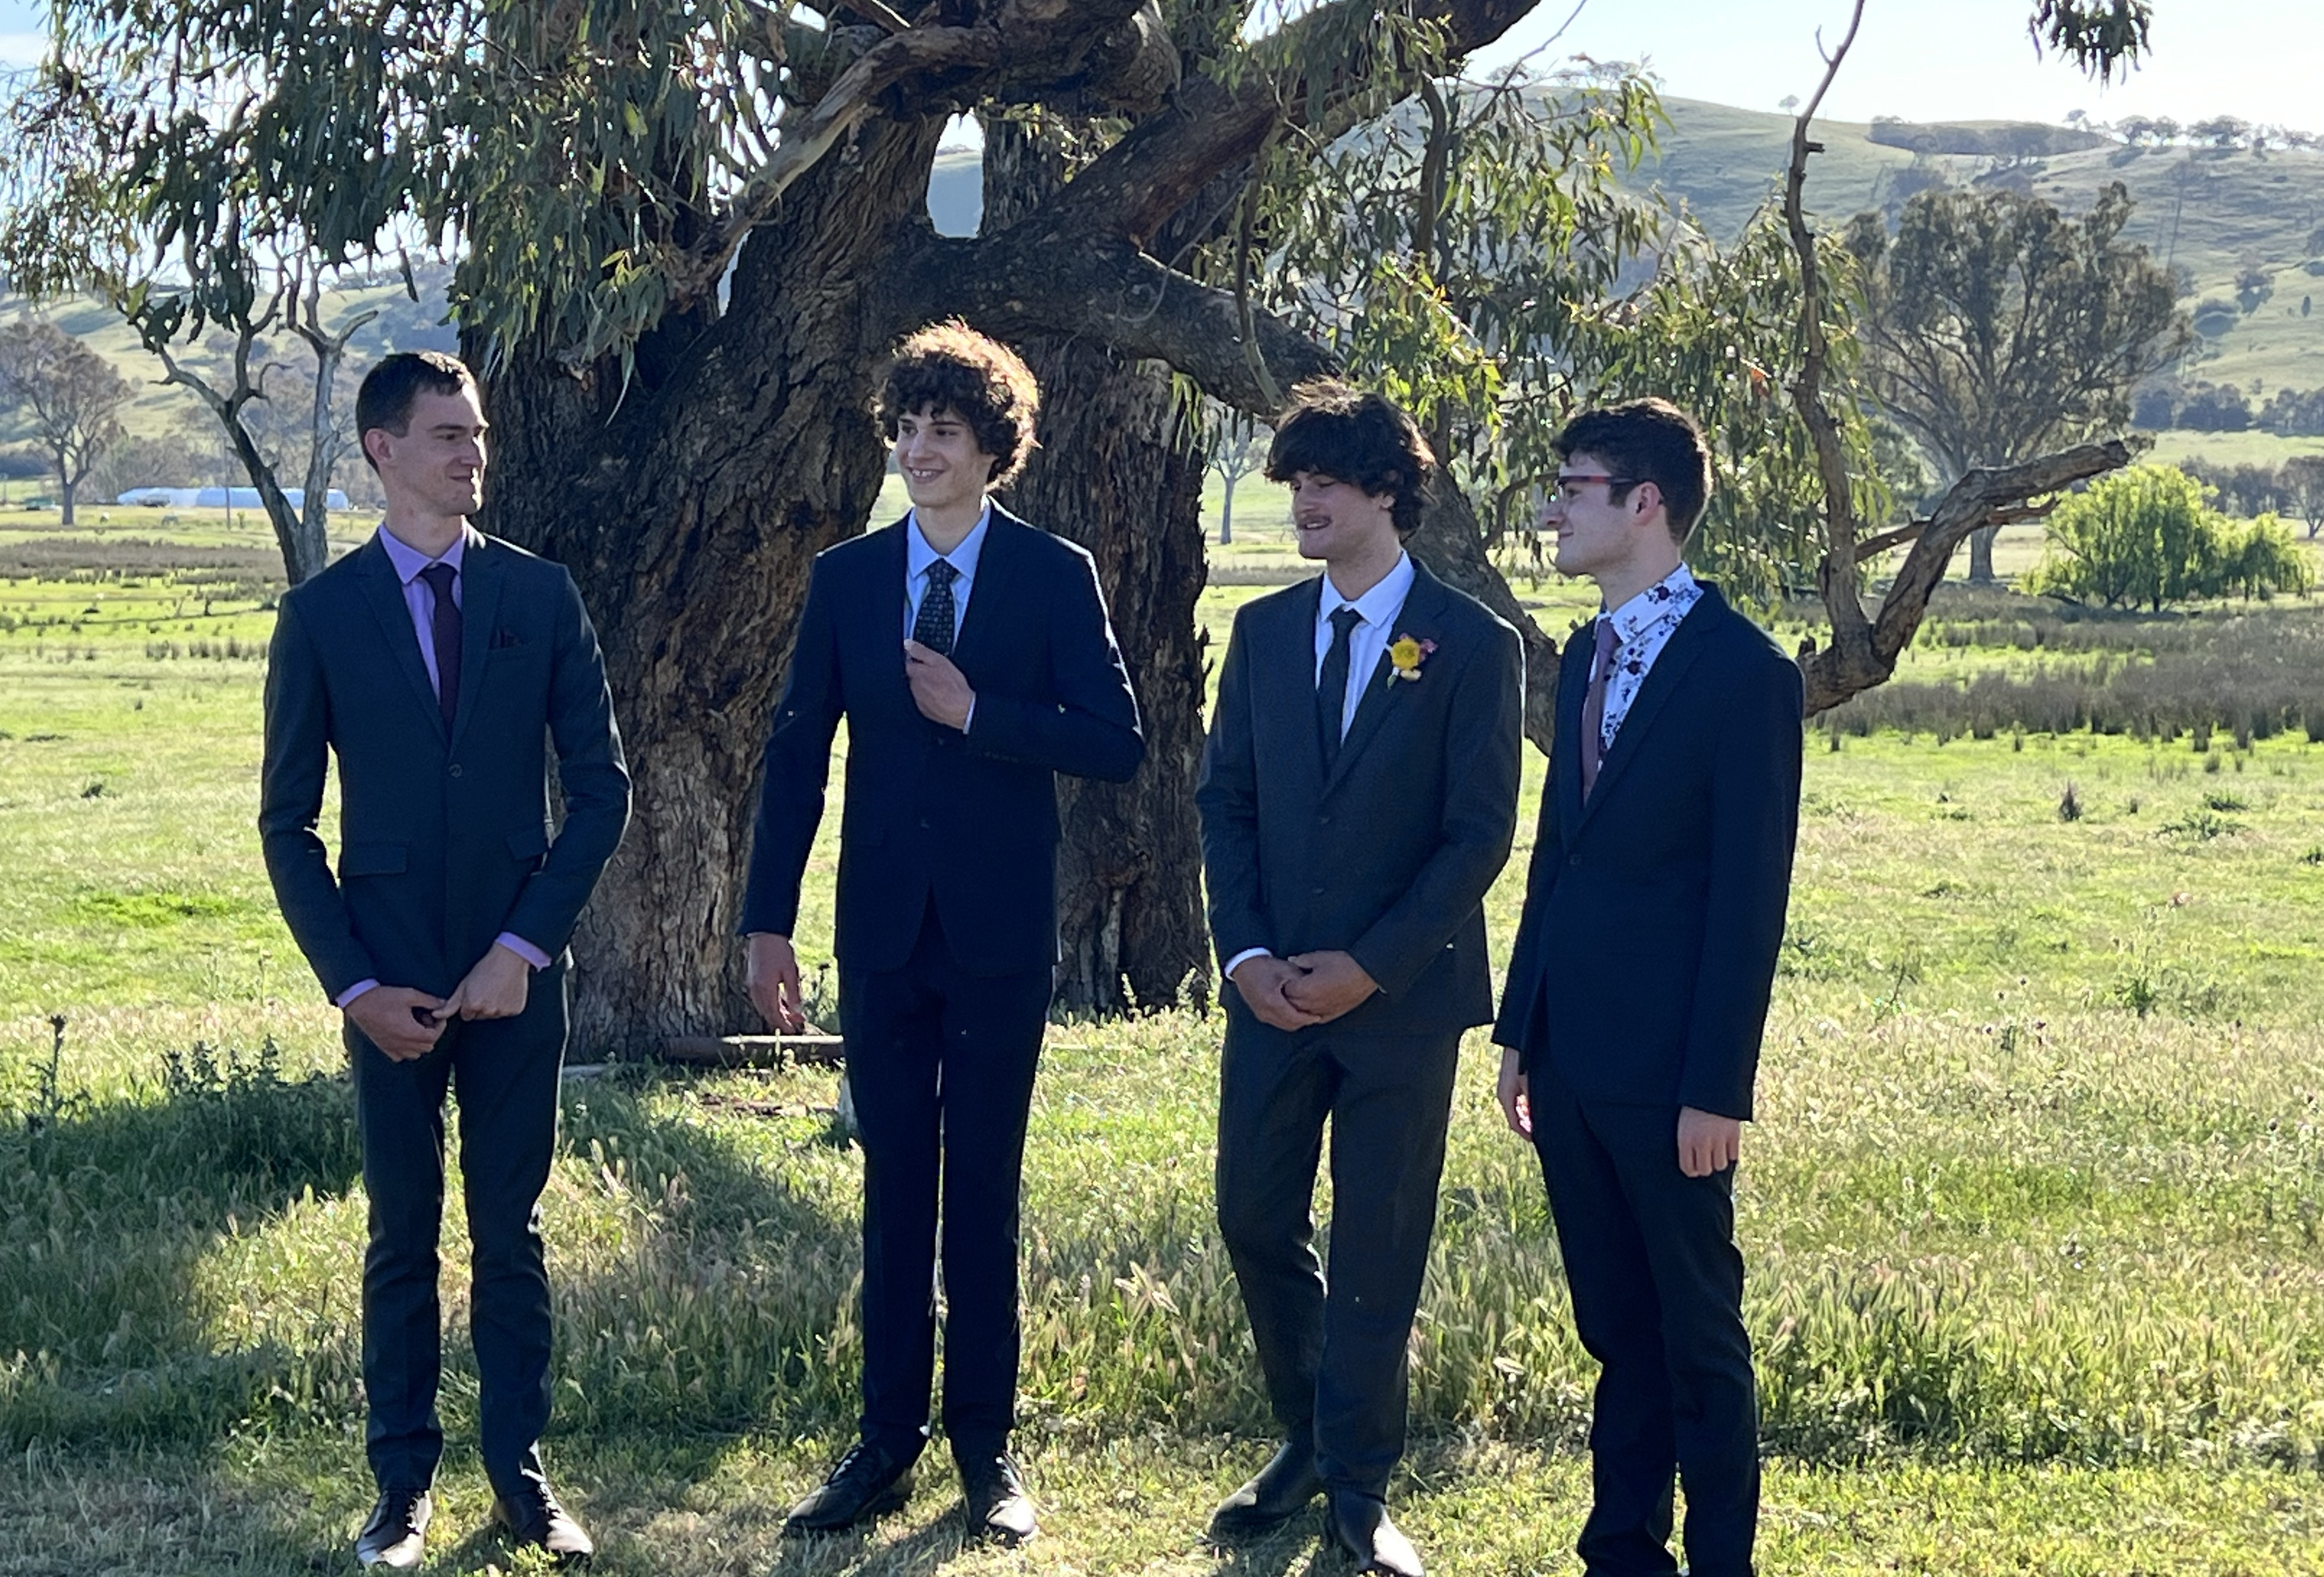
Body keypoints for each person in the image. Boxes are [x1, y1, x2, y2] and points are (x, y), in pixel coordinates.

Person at [741, 321, 1143, 1546]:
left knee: (982, 1194)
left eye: (946, 431)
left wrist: (981, 714)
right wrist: (767, 923)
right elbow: (797, 760)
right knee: (894, 1191)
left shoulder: (1054, 574)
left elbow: (1116, 743)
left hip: (999, 940)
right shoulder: (848, 580)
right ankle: (882, 1443)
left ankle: (986, 1448)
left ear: (994, 449)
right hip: (881, 938)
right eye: (907, 428)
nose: (920, 450)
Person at [259, 351, 631, 1569]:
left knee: (509, 1233)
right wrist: (355, 986)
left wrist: (526, 946)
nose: (473, 453)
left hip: (516, 975)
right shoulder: (322, 617)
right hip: (388, 979)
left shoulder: (541, 594)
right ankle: (401, 1487)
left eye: (476, 433)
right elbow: (287, 827)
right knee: (401, 1235)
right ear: (382, 450)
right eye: (446, 435)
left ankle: (522, 1477)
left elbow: (602, 792)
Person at [1195, 385, 1523, 1577]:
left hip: (1404, 1005)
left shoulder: (1471, 643)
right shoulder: (1264, 634)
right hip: (1272, 995)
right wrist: (1245, 958)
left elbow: (1478, 835)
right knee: (1252, 1214)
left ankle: (1361, 1490)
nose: (1304, 501)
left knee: (1381, 1239)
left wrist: (1373, 967)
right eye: (1293, 482)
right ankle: (1309, 1435)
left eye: (1325, 480)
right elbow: (1227, 804)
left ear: (1388, 489)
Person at [1493, 398, 1804, 1577]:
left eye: (1572, 489)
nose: (1552, 512)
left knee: (1697, 1334)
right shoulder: (1584, 653)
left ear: (1645, 504)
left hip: (1674, 1074)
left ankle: (1723, 1559)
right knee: (1615, 1325)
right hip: (1569, 1056)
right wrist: (1520, 1029)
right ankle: (1622, 1551)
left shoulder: (1745, 673)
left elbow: (1749, 899)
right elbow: (1559, 855)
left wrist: (1717, 1089)